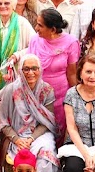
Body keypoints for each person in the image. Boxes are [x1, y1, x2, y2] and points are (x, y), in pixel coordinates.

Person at [0, 54, 60, 172]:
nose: (31, 73)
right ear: (20, 70)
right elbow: (3, 122)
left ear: (40, 70)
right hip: (16, 135)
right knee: (23, 158)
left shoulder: (46, 90)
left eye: (34, 68)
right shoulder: (11, 90)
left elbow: (46, 122)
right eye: (26, 69)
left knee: (45, 156)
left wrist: (31, 139)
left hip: (39, 135)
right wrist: (17, 140)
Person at [26, 9, 79, 138]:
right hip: (37, 95)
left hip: (60, 96)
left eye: (40, 25)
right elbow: (27, 67)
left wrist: (76, 98)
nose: (36, 28)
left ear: (53, 29)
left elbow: (72, 73)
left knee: (59, 130)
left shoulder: (71, 42)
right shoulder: (35, 40)